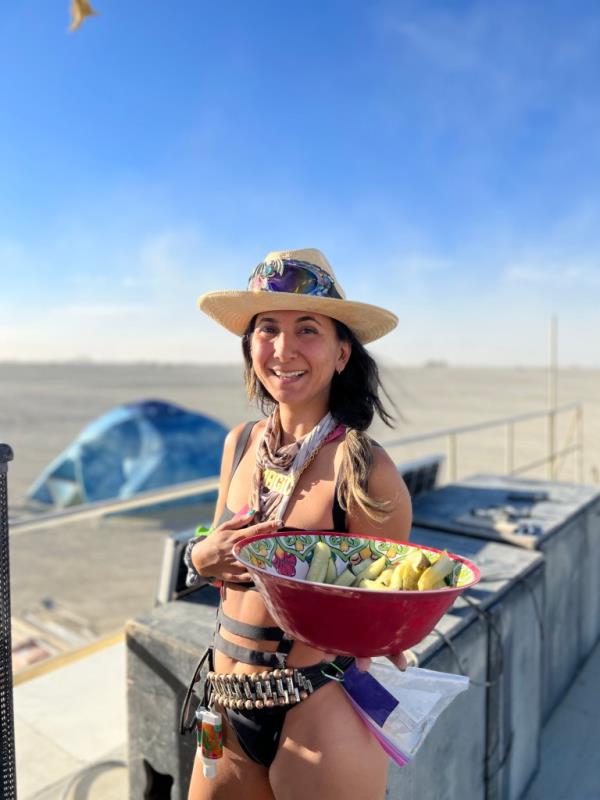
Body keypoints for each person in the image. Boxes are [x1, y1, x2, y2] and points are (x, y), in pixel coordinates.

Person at [184, 248, 412, 800]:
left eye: (306, 329)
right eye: (268, 329)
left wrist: (390, 623)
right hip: (224, 700)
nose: (283, 349)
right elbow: (219, 560)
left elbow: (387, 609)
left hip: (317, 709)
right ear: (249, 347)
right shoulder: (239, 445)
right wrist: (200, 558)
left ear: (341, 354)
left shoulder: (364, 469)